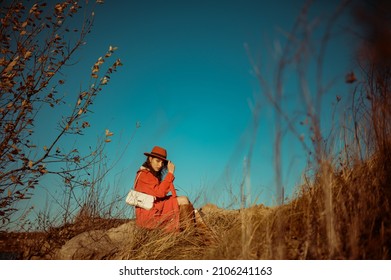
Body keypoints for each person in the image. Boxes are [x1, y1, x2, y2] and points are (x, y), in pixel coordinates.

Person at [133, 146, 196, 232]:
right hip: (149, 213)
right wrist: (170, 173)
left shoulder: (150, 174)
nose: (160, 165)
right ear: (150, 159)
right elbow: (160, 192)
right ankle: (190, 234)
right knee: (183, 199)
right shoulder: (144, 174)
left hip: (153, 208)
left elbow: (158, 194)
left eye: (162, 163)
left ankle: (192, 231)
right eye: (157, 161)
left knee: (183, 199)